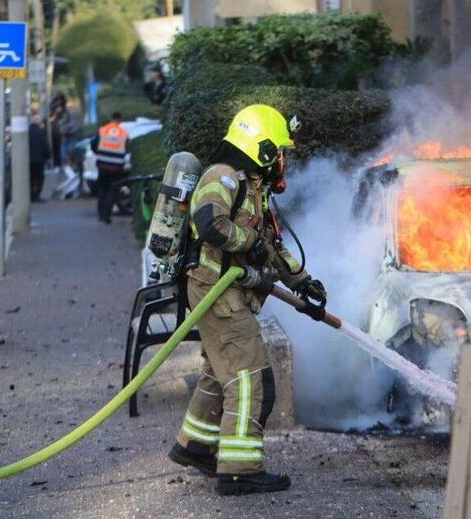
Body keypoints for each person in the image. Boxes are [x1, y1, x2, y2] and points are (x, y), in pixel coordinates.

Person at [166, 104, 327, 496]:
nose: (283, 161)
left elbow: (271, 244)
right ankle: (239, 471)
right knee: (250, 378)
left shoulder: (253, 187)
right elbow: (210, 223)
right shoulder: (221, 177)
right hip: (214, 290)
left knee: (219, 371)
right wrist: (250, 243)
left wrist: (303, 282)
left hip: (226, 292)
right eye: (280, 151)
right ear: (263, 148)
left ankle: (196, 447)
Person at [90, 112, 129, 223]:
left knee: (102, 189)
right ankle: (106, 215)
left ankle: (101, 214)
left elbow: (93, 144)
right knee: (112, 190)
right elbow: (126, 149)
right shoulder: (123, 133)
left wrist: (99, 153)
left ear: (111, 119)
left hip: (102, 165)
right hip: (116, 167)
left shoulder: (103, 130)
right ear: (120, 120)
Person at [28, 115, 51, 201]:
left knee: (30, 178)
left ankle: (31, 195)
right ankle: (37, 195)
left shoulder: (27, 131)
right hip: (39, 159)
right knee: (39, 177)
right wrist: (48, 156)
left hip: (28, 160)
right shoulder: (40, 132)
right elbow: (44, 146)